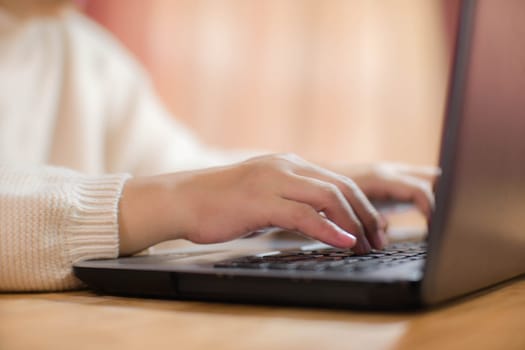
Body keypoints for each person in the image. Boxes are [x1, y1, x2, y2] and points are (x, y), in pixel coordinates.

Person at [0, 1, 437, 292]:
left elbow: (177, 175)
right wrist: (175, 200)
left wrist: (324, 183)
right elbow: (172, 198)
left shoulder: (81, 50)